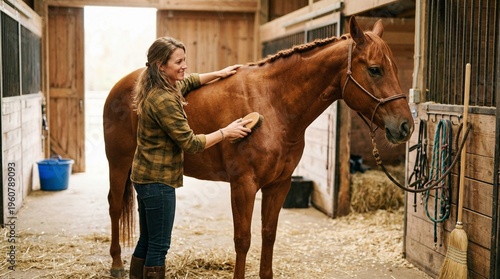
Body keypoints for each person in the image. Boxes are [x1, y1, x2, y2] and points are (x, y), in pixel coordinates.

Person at [129, 37, 252, 279]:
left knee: (147, 238)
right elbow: (191, 143)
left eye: (185, 59)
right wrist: (225, 132)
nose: (184, 65)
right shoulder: (164, 100)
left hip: (144, 178)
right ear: (160, 65)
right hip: (158, 182)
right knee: (159, 246)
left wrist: (219, 73)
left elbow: (190, 81)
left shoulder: (160, 87)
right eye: (179, 61)